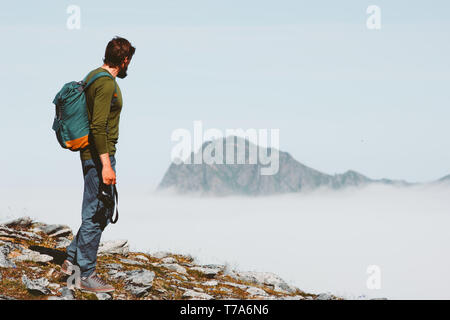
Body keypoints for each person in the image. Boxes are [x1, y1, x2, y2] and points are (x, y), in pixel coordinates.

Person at [61, 37, 135, 293]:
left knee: (99, 210)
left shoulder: (94, 75)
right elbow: (98, 126)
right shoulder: (105, 84)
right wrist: (106, 164)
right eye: (129, 61)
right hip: (98, 157)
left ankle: (71, 259)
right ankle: (86, 274)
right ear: (124, 60)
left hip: (94, 156)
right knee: (96, 213)